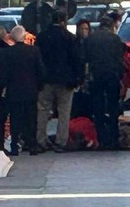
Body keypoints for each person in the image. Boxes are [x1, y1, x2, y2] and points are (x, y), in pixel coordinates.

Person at [35, 11, 84, 153]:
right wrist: (78, 78)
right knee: (64, 111)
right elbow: (77, 60)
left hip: (46, 80)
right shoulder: (70, 38)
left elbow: (38, 58)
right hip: (66, 80)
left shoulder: (42, 37)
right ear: (64, 21)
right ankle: (61, 141)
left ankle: (41, 140)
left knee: (43, 110)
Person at [0, 25, 45, 156]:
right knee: (31, 118)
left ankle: (14, 146)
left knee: (15, 119)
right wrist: (39, 86)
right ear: (24, 37)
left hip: (14, 91)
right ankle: (32, 144)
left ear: (11, 37)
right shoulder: (34, 51)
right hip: (30, 90)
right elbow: (40, 70)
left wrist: (3, 87)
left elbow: (3, 74)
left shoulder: (6, 53)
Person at [84, 12, 125, 150]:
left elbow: (85, 58)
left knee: (98, 108)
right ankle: (113, 138)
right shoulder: (115, 39)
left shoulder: (91, 38)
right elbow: (120, 60)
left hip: (96, 77)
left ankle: (101, 138)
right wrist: (121, 77)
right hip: (112, 76)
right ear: (111, 25)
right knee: (113, 108)